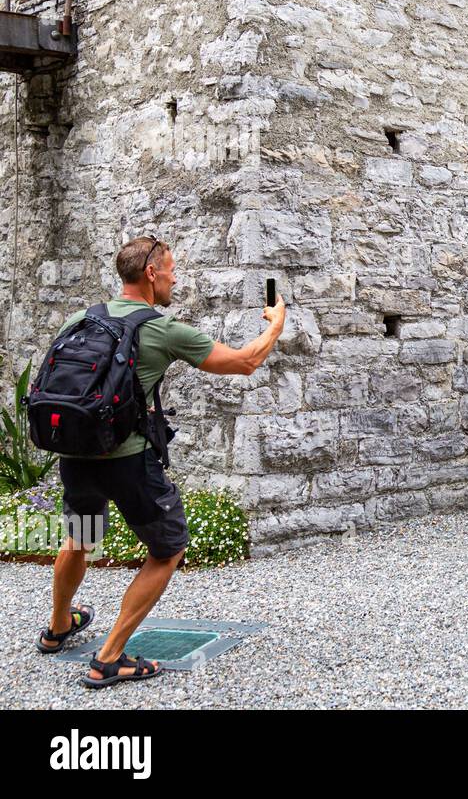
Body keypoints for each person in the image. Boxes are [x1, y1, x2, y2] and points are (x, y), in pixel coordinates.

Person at [36, 236, 286, 688]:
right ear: (151, 273)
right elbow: (245, 362)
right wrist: (274, 325)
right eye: (171, 270)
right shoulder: (162, 329)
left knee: (81, 538)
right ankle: (109, 657)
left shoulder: (79, 319)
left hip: (77, 458)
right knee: (167, 550)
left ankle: (57, 630)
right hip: (129, 465)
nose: (175, 278)